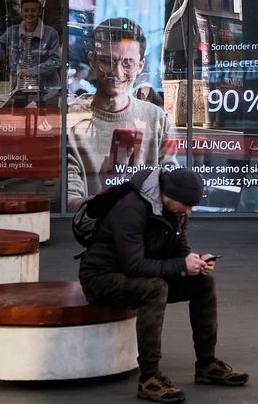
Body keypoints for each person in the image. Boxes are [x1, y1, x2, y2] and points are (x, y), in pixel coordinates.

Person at [79, 166, 248, 402]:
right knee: (155, 289)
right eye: (186, 205)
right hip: (101, 278)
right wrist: (181, 265)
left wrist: (198, 262)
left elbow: (180, 253)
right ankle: (149, 378)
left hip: (139, 273)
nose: (188, 212)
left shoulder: (175, 211)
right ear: (169, 195)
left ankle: (206, 364)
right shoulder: (131, 208)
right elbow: (134, 265)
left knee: (203, 283)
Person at [66, 17, 176, 211]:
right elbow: (69, 203)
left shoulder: (157, 119)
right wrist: (110, 192)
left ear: (140, 66)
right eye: (107, 61)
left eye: (128, 63)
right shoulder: (70, 120)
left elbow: (172, 192)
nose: (117, 72)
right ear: (92, 60)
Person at [0, 0, 61, 108]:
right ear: (21, 12)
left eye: (33, 10)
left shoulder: (51, 34)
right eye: (26, 10)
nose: (29, 13)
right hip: (20, 89)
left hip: (47, 91)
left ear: (39, 12)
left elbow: (55, 61)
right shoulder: (12, 32)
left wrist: (31, 71)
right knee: (10, 115)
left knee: (49, 118)